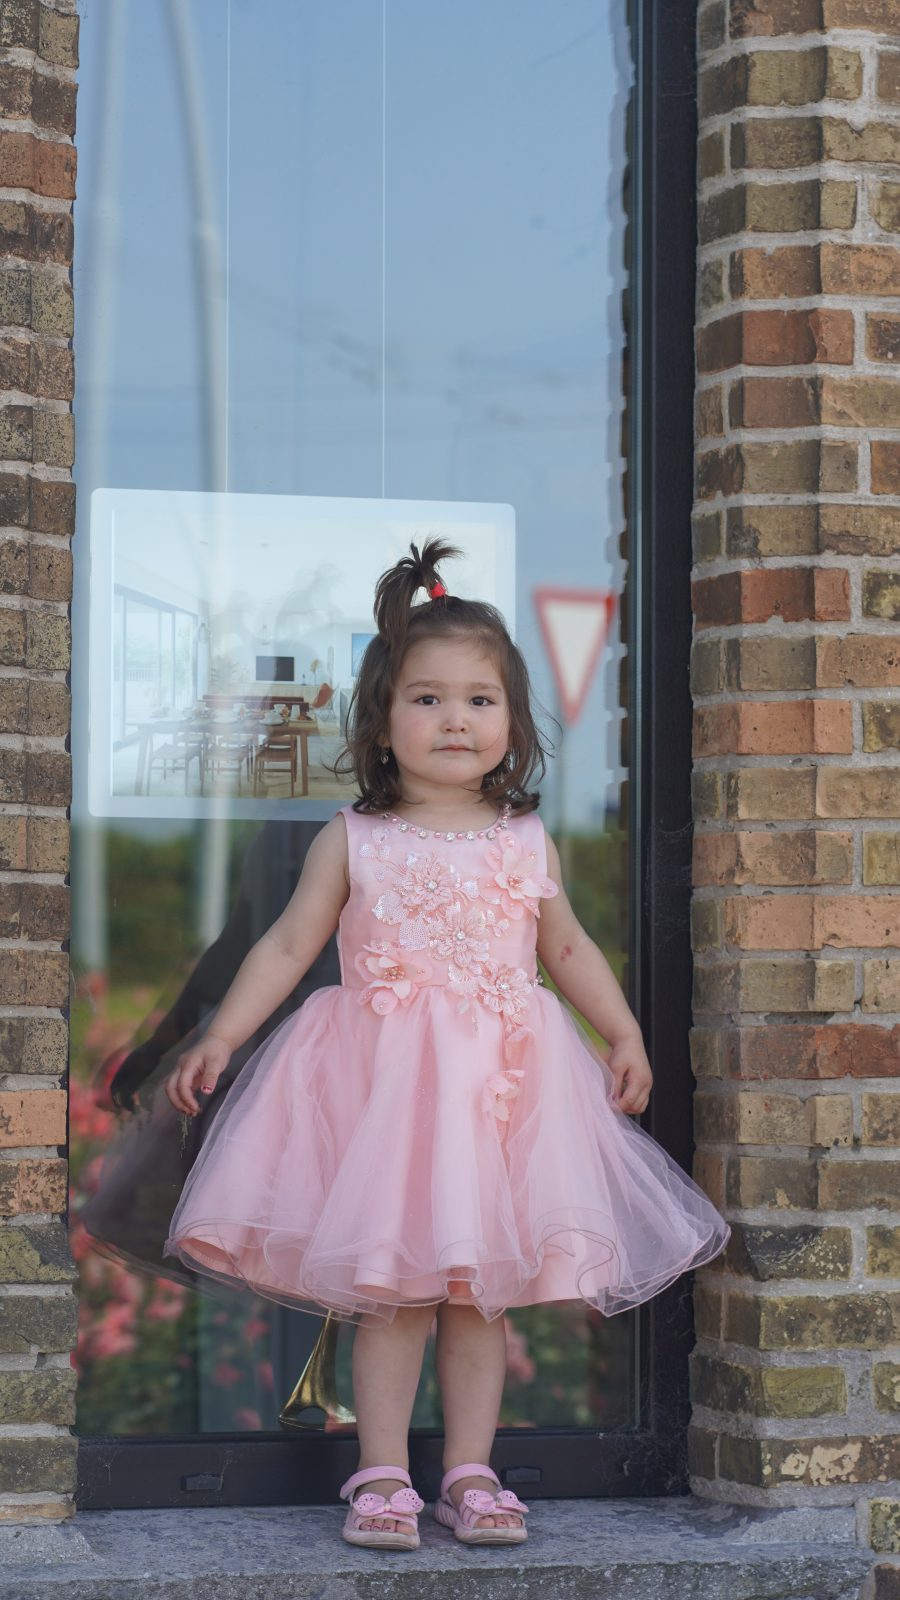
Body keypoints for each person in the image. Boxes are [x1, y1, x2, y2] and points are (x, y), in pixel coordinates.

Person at [162, 537, 730, 1551]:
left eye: (478, 699)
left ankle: (468, 1470)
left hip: (502, 1095)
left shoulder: (524, 836)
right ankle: (381, 1472)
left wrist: (624, 1029)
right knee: (394, 1295)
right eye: (426, 698)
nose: (454, 718)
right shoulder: (355, 838)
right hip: (386, 1095)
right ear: (383, 722)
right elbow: (291, 944)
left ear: (511, 724)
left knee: (481, 1300)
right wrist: (224, 1033)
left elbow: (566, 946)